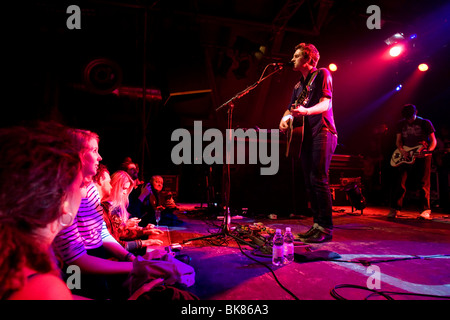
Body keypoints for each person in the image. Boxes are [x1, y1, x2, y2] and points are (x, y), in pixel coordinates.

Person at [0, 122, 83, 300]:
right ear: (64, 204)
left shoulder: (12, 261)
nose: (84, 193)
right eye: (80, 185)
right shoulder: (46, 290)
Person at [279, 43, 337, 243]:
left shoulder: (322, 73)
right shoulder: (297, 86)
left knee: (319, 178)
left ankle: (326, 227)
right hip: (305, 135)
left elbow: (325, 103)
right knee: (310, 181)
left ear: (308, 59)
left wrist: (306, 111)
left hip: (322, 131)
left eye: (297, 56)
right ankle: (316, 225)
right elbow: (289, 109)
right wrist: (283, 120)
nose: (293, 59)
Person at [388, 104, 437, 219]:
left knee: (423, 182)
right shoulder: (400, 124)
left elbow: (433, 141)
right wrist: (401, 150)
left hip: (422, 154)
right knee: (399, 181)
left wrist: (427, 152)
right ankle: (395, 208)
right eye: (407, 118)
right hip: (406, 154)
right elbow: (398, 141)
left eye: (411, 117)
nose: (409, 120)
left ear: (416, 112)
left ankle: (425, 210)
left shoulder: (425, 123)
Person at [99, 169, 163, 253]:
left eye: (127, 189)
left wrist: (144, 231)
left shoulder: (116, 206)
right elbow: (114, 242)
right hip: (113, 255)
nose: (126, 193)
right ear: (114, 186)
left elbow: (121, 232)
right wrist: (143, 242)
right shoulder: (103, 209)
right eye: (124, 188)